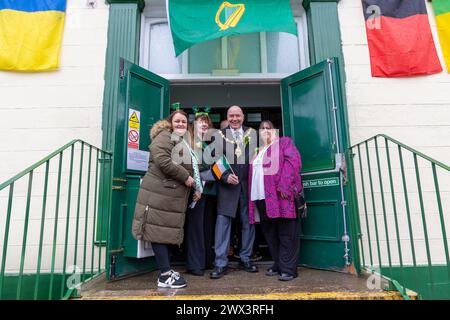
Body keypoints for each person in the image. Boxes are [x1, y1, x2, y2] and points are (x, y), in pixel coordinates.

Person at [132, 109, 202, 289]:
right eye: (177, 121)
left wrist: (196, 187)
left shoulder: (184, 142)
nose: (181, 124)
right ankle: (164, 275)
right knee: (159, 232)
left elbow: (193, 165)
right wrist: (186, 177)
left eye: (184, 122)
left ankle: (167, 271)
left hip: (171, 196)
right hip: (159, 194)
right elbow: (163, 160)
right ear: (170, 123)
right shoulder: (164, 136)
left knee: (166, 232)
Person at [248, 120, 302, 281]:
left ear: (275, 130)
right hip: (261, 197)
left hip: (280, 196)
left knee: (286, 232)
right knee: (270, 234)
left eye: (268, 128)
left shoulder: (284, 143)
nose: (265, 130)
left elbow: (293, 163)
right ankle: (278, 264)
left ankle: (289, 269)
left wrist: (285, 187)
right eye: (262, 128)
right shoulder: (258, 151)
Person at [210, 106, 258, 279]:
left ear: (243, 117)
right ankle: (220, 263)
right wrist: (225, 176)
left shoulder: (253, 134)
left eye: (238, 115)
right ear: (227, 117)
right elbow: (214, 161)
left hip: (248, 186)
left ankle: (246, 258)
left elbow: (258, 157)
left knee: (248, 224)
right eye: (231, 116)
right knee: (222, 225)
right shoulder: (218, 135)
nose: (235, 118)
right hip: (227, 187)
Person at [184, 112, 217, 275]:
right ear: (193, 125)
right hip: (195, 191)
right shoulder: (188, 142)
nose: (203, 125)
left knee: (207, 227)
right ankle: (195, 264)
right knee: (195, 228)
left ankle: (206, 261)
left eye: (206, 122)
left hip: (211, 191)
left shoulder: (210, 143)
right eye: (200, 122)